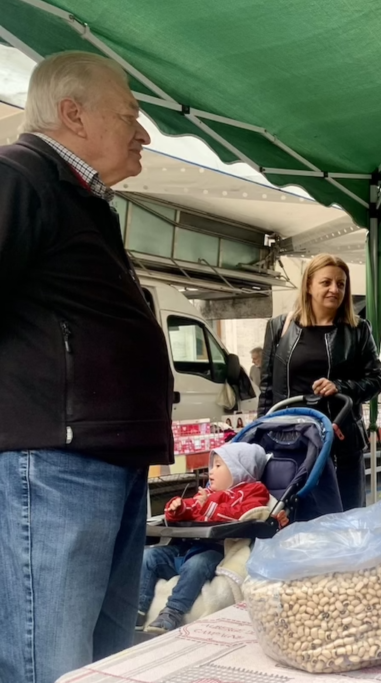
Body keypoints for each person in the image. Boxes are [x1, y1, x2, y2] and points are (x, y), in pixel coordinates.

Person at [0, 52, 173, 682]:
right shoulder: (19, 175)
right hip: (56, 465)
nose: (143, 132)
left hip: (101, 461)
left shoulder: (78, 198)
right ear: (73, 114)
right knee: (53, 662)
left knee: (100, 665)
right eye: (130, 113)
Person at [259, 254, 381, 511]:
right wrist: (259, 438)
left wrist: (341, 387)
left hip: (341, 443)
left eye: (341, 283)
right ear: (308, 285)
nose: (334, 289)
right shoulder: (279, 327)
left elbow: (375, 380)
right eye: (326, 282)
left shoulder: (358, 329)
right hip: (292, 443)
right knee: (294, 520)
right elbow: (268, 389)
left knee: (345, 518)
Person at [139, 443, 270, 634]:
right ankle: (138, 608)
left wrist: (207, 506)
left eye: (218, 466)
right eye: (211, 466)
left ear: (239, 470)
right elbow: (190, 508)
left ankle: (173, 611)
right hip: (185, 550)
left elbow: (243, 514)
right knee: (148, 557)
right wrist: (178, 508)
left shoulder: (253, 491)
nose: (211, 472)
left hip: (214, 552)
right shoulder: (207, 493)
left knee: (197, 564)